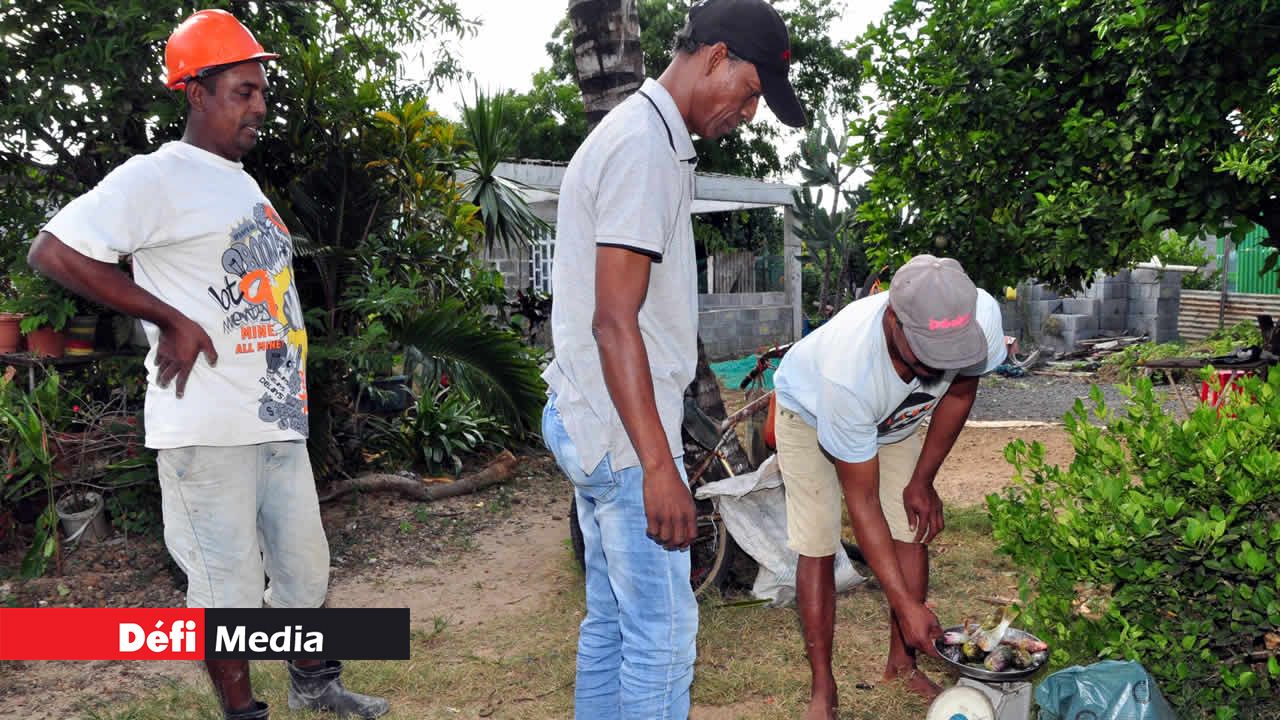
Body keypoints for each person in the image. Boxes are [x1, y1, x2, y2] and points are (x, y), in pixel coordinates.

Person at [26, 10, 387, 720]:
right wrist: (170, 317)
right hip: (206, 430)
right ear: (195, 93)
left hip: (275, 422)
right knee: (225, 590)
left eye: (261, 93)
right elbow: (54, 250)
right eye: (242, 91)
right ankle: (243, 713)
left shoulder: (242, 183)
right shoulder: (156, 176)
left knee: (303, 572)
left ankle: (316, 687)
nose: (259, 106)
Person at [539, 0, 807, 717]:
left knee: (614, 622)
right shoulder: (643, 148)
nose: (749, 113)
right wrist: (660, 467)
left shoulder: (646, 136)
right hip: (624, 437)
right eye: (752, 92)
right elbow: (614, 322)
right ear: (716, 56)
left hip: (592, 416)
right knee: (661, 633)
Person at [771, 255, 1008, 719]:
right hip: (811, 414)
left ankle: (901, 666)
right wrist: (904, 603)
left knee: (912, 528)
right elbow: (861, 504)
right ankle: (824, 686)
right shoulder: (850, 371)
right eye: (928, 353)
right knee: (818, 542)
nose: (940, 365)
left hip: (895, 422)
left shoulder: (980, 315)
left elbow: (960, 391)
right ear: (893, 318)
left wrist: (923, 479)